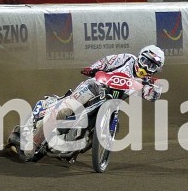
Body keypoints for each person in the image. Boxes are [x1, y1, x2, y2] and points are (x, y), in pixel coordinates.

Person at [29, 46, 165, 150]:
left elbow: (152, 95)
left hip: (114, 102)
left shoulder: (146, 82)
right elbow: (105, 62)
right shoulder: (127, 58)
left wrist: (155, 89)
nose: (146, 67)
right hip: (94, 87)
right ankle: (34, 141)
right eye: (145, 61)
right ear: (139, 57)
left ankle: (79, 142)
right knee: (65, 110)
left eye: (152, 66)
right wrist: (93, 69)